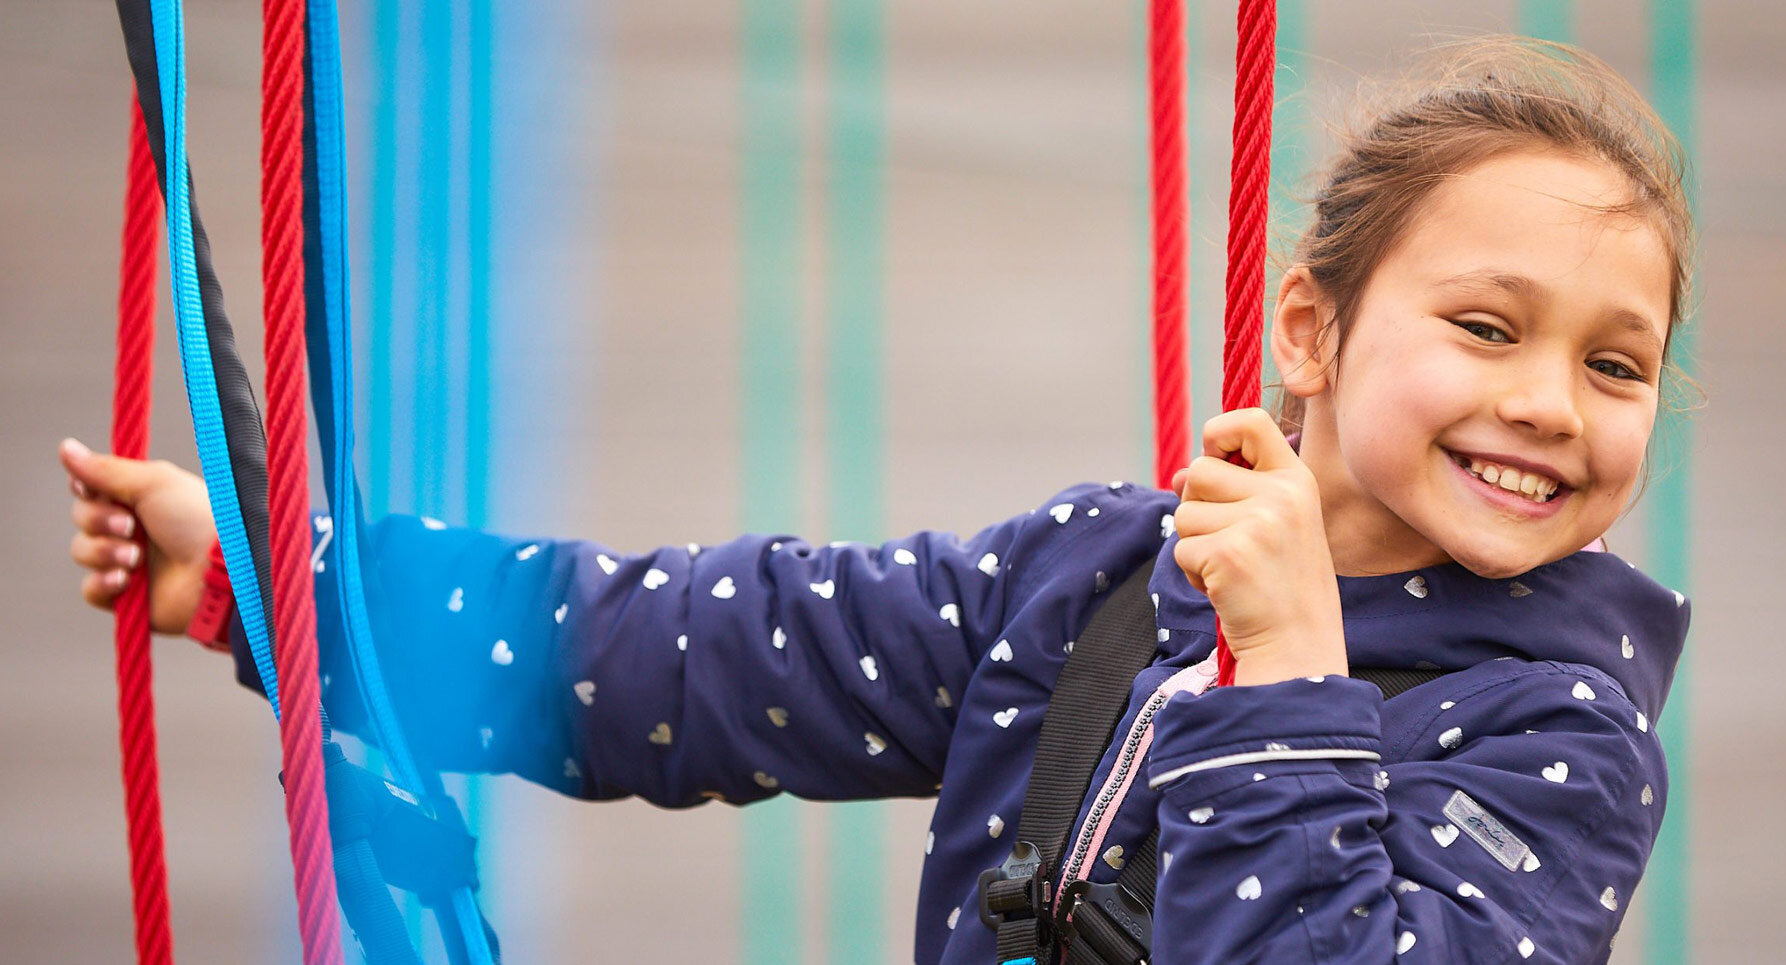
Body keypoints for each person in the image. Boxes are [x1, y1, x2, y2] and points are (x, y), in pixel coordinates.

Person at [61, 36, 1691, 964]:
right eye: (1488, 327)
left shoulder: (1557, 735)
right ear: (1314, 328)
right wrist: (292, 582)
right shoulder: (1103, 580)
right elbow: (703, 654)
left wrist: (1291, 677)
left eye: (1618, 367)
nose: (1549, 402)